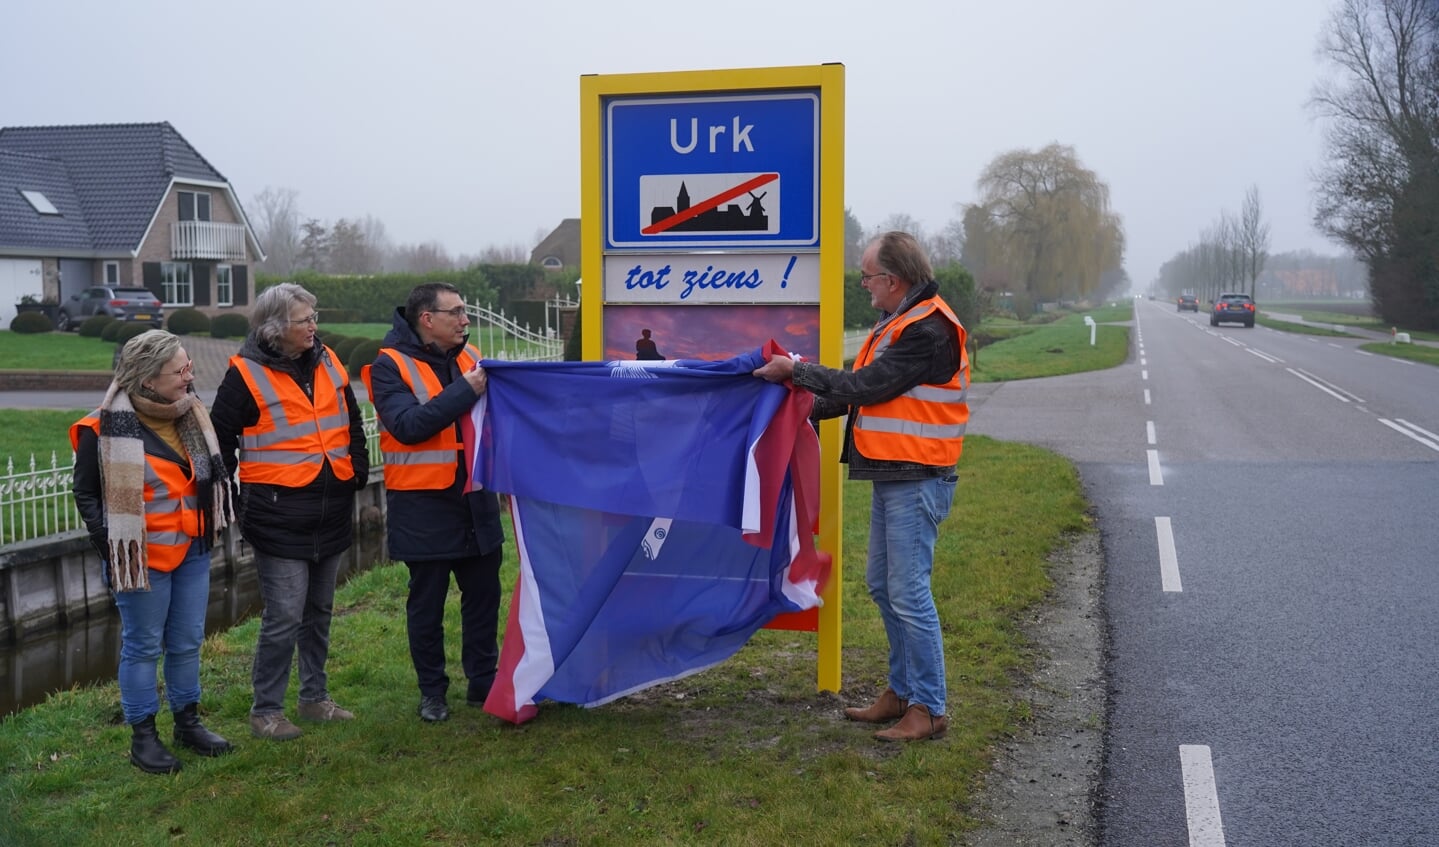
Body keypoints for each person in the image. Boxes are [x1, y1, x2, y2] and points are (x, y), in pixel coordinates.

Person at [754, 231, 969, 742]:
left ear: (892, 281)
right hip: (896, 474)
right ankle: (900, 693)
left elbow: (866, 387)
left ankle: (930, 707)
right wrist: (792, 410)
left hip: (918, 477)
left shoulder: (928, 329)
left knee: (908, 592)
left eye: (868, 276)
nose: (863, 285)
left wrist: (799, 372)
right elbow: (863, 398)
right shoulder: (899, 320)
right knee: (883, 585)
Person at [71, 329, 237, 773]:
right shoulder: (100, 428)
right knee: (143, 646)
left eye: (188, 366)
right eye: (180, 370)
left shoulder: (192, 414)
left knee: (186, 642)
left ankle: (188, 722)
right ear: (147, 380)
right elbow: (86, 493)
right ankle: (143, 737)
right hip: (140, 560)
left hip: (193, 551)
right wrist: (111, 545)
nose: (190, 375)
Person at [211, 282, 368, 741]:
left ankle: (315, 699)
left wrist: (356, 469)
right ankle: (266, 712)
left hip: (331, 507)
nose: (314, 327)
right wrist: (240, 497)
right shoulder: (245, 374)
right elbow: (219, 440)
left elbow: (350, 419)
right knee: (284, 615)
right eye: (305, 320)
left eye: (313, 318)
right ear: (276, 329)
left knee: (320, 610)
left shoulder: (328, 359)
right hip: (277, 515)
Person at [363, 283, 505, 723]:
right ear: (427, 319)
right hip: (423, 503)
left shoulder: (471, 356)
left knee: (484, 596)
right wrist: (466, 390)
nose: (465, 320)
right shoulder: (388, 366)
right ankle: (433, 692)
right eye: (456, 312)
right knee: (427, 604)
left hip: (475, 497)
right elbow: (408, 425)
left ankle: (484, 681)